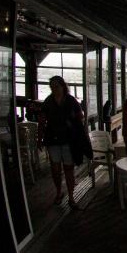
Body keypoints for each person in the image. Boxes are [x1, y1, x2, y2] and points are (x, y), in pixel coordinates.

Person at [38, 76, 87, 209]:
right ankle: (59, 192)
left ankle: (71, 196)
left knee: (68, 169)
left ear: (63, 86)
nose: (54, 89)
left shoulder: (70, 101)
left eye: (57, 86)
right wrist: (40, 138)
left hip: (68, 140)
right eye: (52, 87)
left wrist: (74, 127)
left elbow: (80, 117)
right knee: (55, 169)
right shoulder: (48, 101)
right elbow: (42, 120)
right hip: (52, 139)